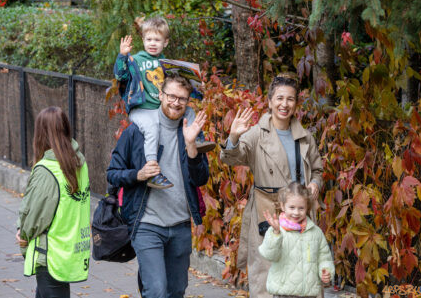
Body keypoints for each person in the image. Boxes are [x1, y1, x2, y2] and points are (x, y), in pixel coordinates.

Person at [220, 75, 324, 297]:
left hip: (300, 216)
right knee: (267, 281)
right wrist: (234, 136)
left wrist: (315, 182)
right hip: (267, 216)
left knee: (303, 279)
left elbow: (317, 170)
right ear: (269, 101)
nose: (284, 104)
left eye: (290, 99)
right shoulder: (257, 134)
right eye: (279, 98)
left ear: (296, 104)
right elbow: (231, 158)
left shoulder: (305, 137)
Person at [107, 74, 210, 298]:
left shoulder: (192, 130)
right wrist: (139, 174)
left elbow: (201, 178)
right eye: (171, 96)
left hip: (180, 224)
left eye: (182, 98)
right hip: (147, 224)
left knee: (176, 291)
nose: (176, 102)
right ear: (161, 95)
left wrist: (192, 147)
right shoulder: (136, 131)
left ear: (187, 101)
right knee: (156, 290)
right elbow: (112, 174)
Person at [114, 16, 214, 189]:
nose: (153, 43)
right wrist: (122, 56)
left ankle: (196, 141)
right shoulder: (136, 60)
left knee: (189, 111)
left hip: (159, 108)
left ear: (165, 42)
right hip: (142, 108)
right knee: (152, 128)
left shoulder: (167, 64)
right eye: (149, 39)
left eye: (157, 40)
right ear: (143, 40)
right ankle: (153, 171)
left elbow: (181, 87)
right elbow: (120, 76)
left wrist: (198, 85)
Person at [16, 106, 90, 298]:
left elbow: (36, 214)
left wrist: (23, 235)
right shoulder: (80, 164)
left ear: (40, 134)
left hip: (50, 253)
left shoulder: (47, 169)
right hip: (71, 249)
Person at [259, 182, 334, 298]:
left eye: (301, 208)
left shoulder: (316, 233)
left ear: (307, 208)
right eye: (292, 207)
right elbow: (270, 255)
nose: (296, 212)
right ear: (283, 206)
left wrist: (326, 270)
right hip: (283, 292)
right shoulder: (277, 230)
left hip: (308, 293)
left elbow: (324, 257)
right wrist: (276, 233)